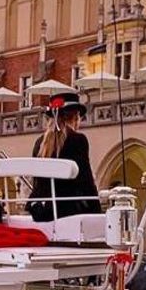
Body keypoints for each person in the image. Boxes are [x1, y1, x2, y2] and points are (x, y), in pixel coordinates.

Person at [27, 92, 100, 221]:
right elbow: (86, 180)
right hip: (67, 210)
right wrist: (98, 212)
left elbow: (37, 183)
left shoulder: (39, 143)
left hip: (40, 211)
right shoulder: (78, 139)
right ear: (76, 117)